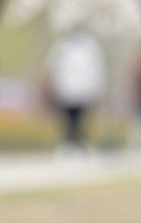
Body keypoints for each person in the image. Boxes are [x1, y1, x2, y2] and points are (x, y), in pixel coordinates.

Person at [44, 21, 107, 154]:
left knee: (81, 120)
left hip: (83, 91)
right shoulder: (62, 46)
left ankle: (79, 144)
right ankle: (69, 144)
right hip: (67, 91)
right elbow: (54, 68)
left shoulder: (90, 46)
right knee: (69, 120)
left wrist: (97, 89)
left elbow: (96, 70)